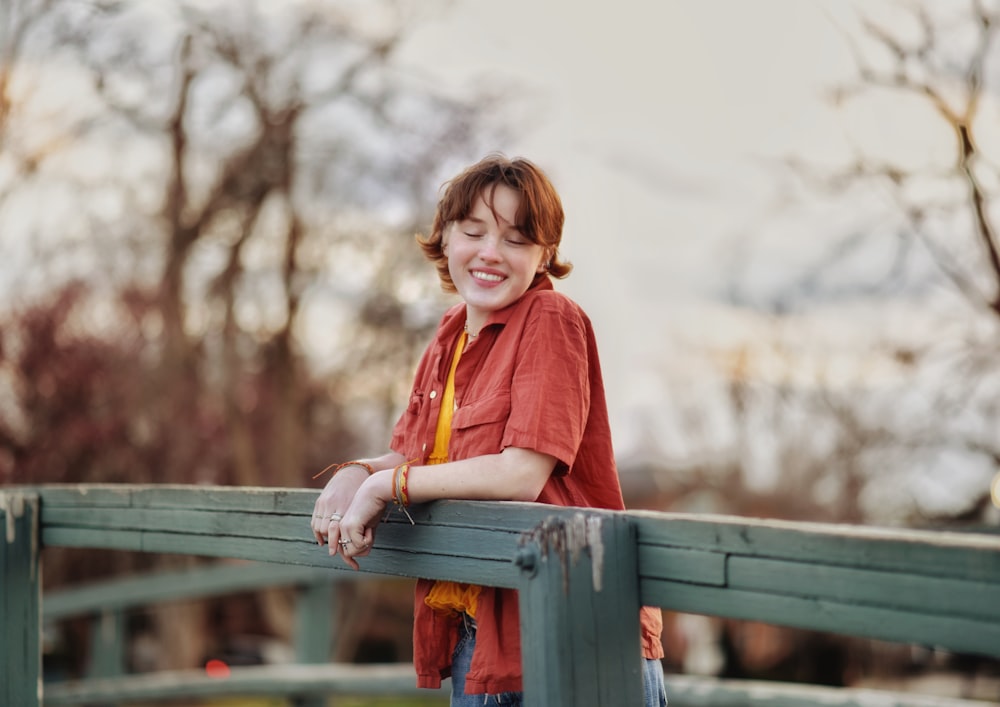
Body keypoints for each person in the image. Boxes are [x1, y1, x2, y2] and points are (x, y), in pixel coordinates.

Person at [310, 154, 667, 706]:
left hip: (572, 633)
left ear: (545, 252)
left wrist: (386, 487)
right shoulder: (450, 334)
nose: (490, 254)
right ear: (446, 238)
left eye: (517, 240)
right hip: (480, 635)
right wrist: (353, 474)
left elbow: (520, 472)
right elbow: (416, 455)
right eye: (473, 231)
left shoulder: (551, 319)